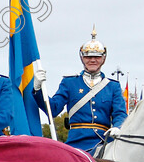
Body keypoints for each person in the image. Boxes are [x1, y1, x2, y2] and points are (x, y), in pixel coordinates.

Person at [33, 27, 127, 155]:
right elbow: (53, 109)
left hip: (104, 141)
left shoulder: (112, 86)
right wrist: (37, 89)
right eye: (88, 57)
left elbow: (120, 113)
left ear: (103, 58)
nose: (92, 60)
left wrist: (118, 126)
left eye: (97, 56)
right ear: (82, 58)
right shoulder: (69, 83)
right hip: (76, 142)